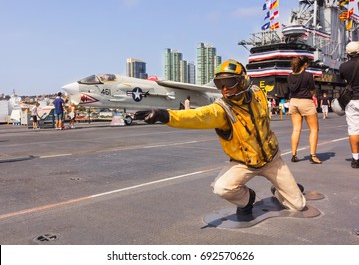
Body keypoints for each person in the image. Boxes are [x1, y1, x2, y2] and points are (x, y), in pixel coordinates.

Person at [135, 60, 306, 215]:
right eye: (219, 84)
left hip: (272, 160)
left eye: (229, 83)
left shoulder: (258, 94)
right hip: (244, 163)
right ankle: (247, 199)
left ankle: (280, 190)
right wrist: (165, 115)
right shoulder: (222, 110)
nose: (224, 88)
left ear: (243, 81)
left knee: (298, 205)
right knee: (221, 187)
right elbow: (197, 116)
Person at [287, 56, 321, 164]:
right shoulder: (308, 75)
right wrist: (312, 94)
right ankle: (313, 155)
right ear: (305, 64)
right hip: (305, 102)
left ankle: (294, 155)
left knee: (296, 129)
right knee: (314, 129)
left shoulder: (290, 76)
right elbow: (312, 90)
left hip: (293, 102)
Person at [339, 41, 359, 169]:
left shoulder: (343, 67)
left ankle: (355, 159)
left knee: (353, 130)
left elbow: (343, 79)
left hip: (351, 100)